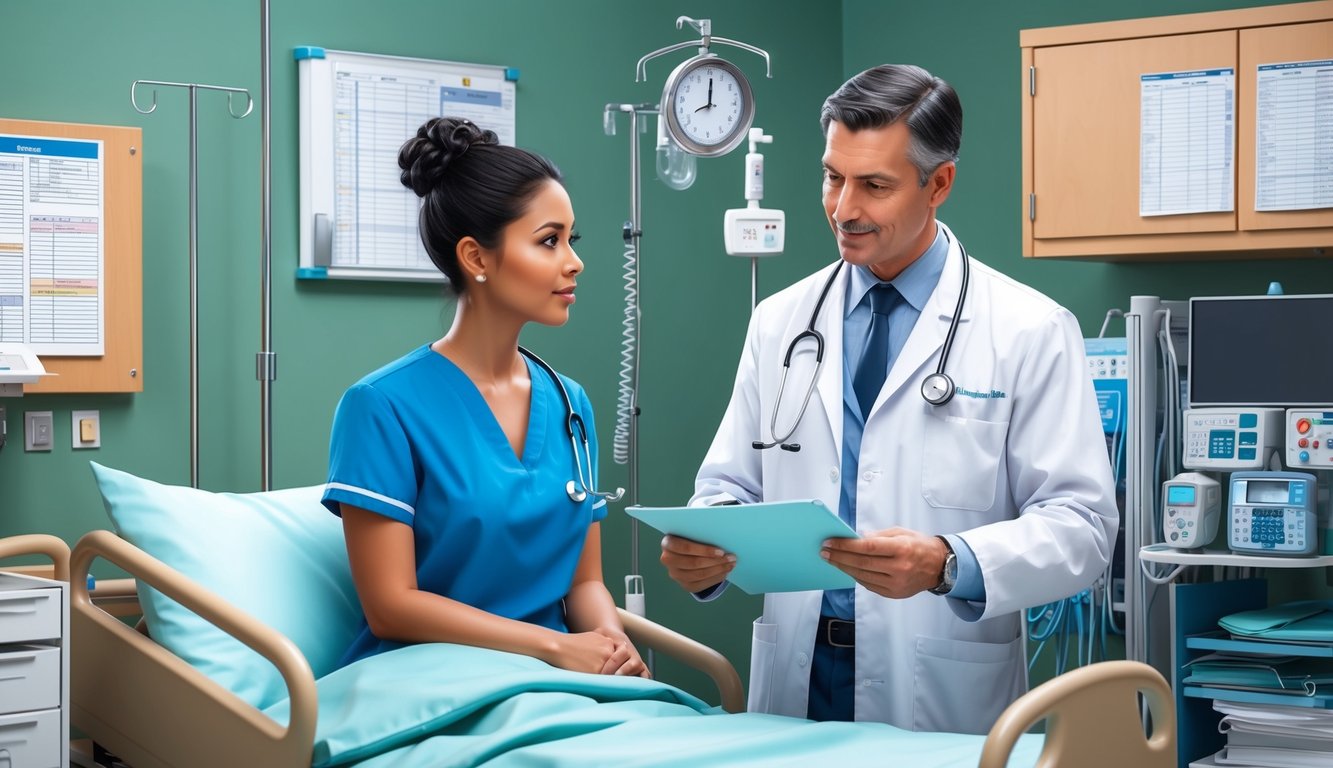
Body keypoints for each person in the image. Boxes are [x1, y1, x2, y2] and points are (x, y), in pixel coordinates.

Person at [660, 64, 1117, 732]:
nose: (843, 209)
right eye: (831, 177)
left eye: (873, 185)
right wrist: (705, 549)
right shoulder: (780, 321)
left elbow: (1082, 527)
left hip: (936, 680)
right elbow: (729, 485)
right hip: (799, 674)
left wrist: (948, 563)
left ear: (939, 184)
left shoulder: (1029, 329)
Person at [323, 117, 647, 679]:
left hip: (557, 684)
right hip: (427, 682)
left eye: (573, 239)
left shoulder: (571, 405)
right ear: (476, 258)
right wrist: (552, 648)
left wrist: (613, 646)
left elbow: (585, 583)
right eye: (549, 241)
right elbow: (391, 606)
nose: (574, 261)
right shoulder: (380, 407)